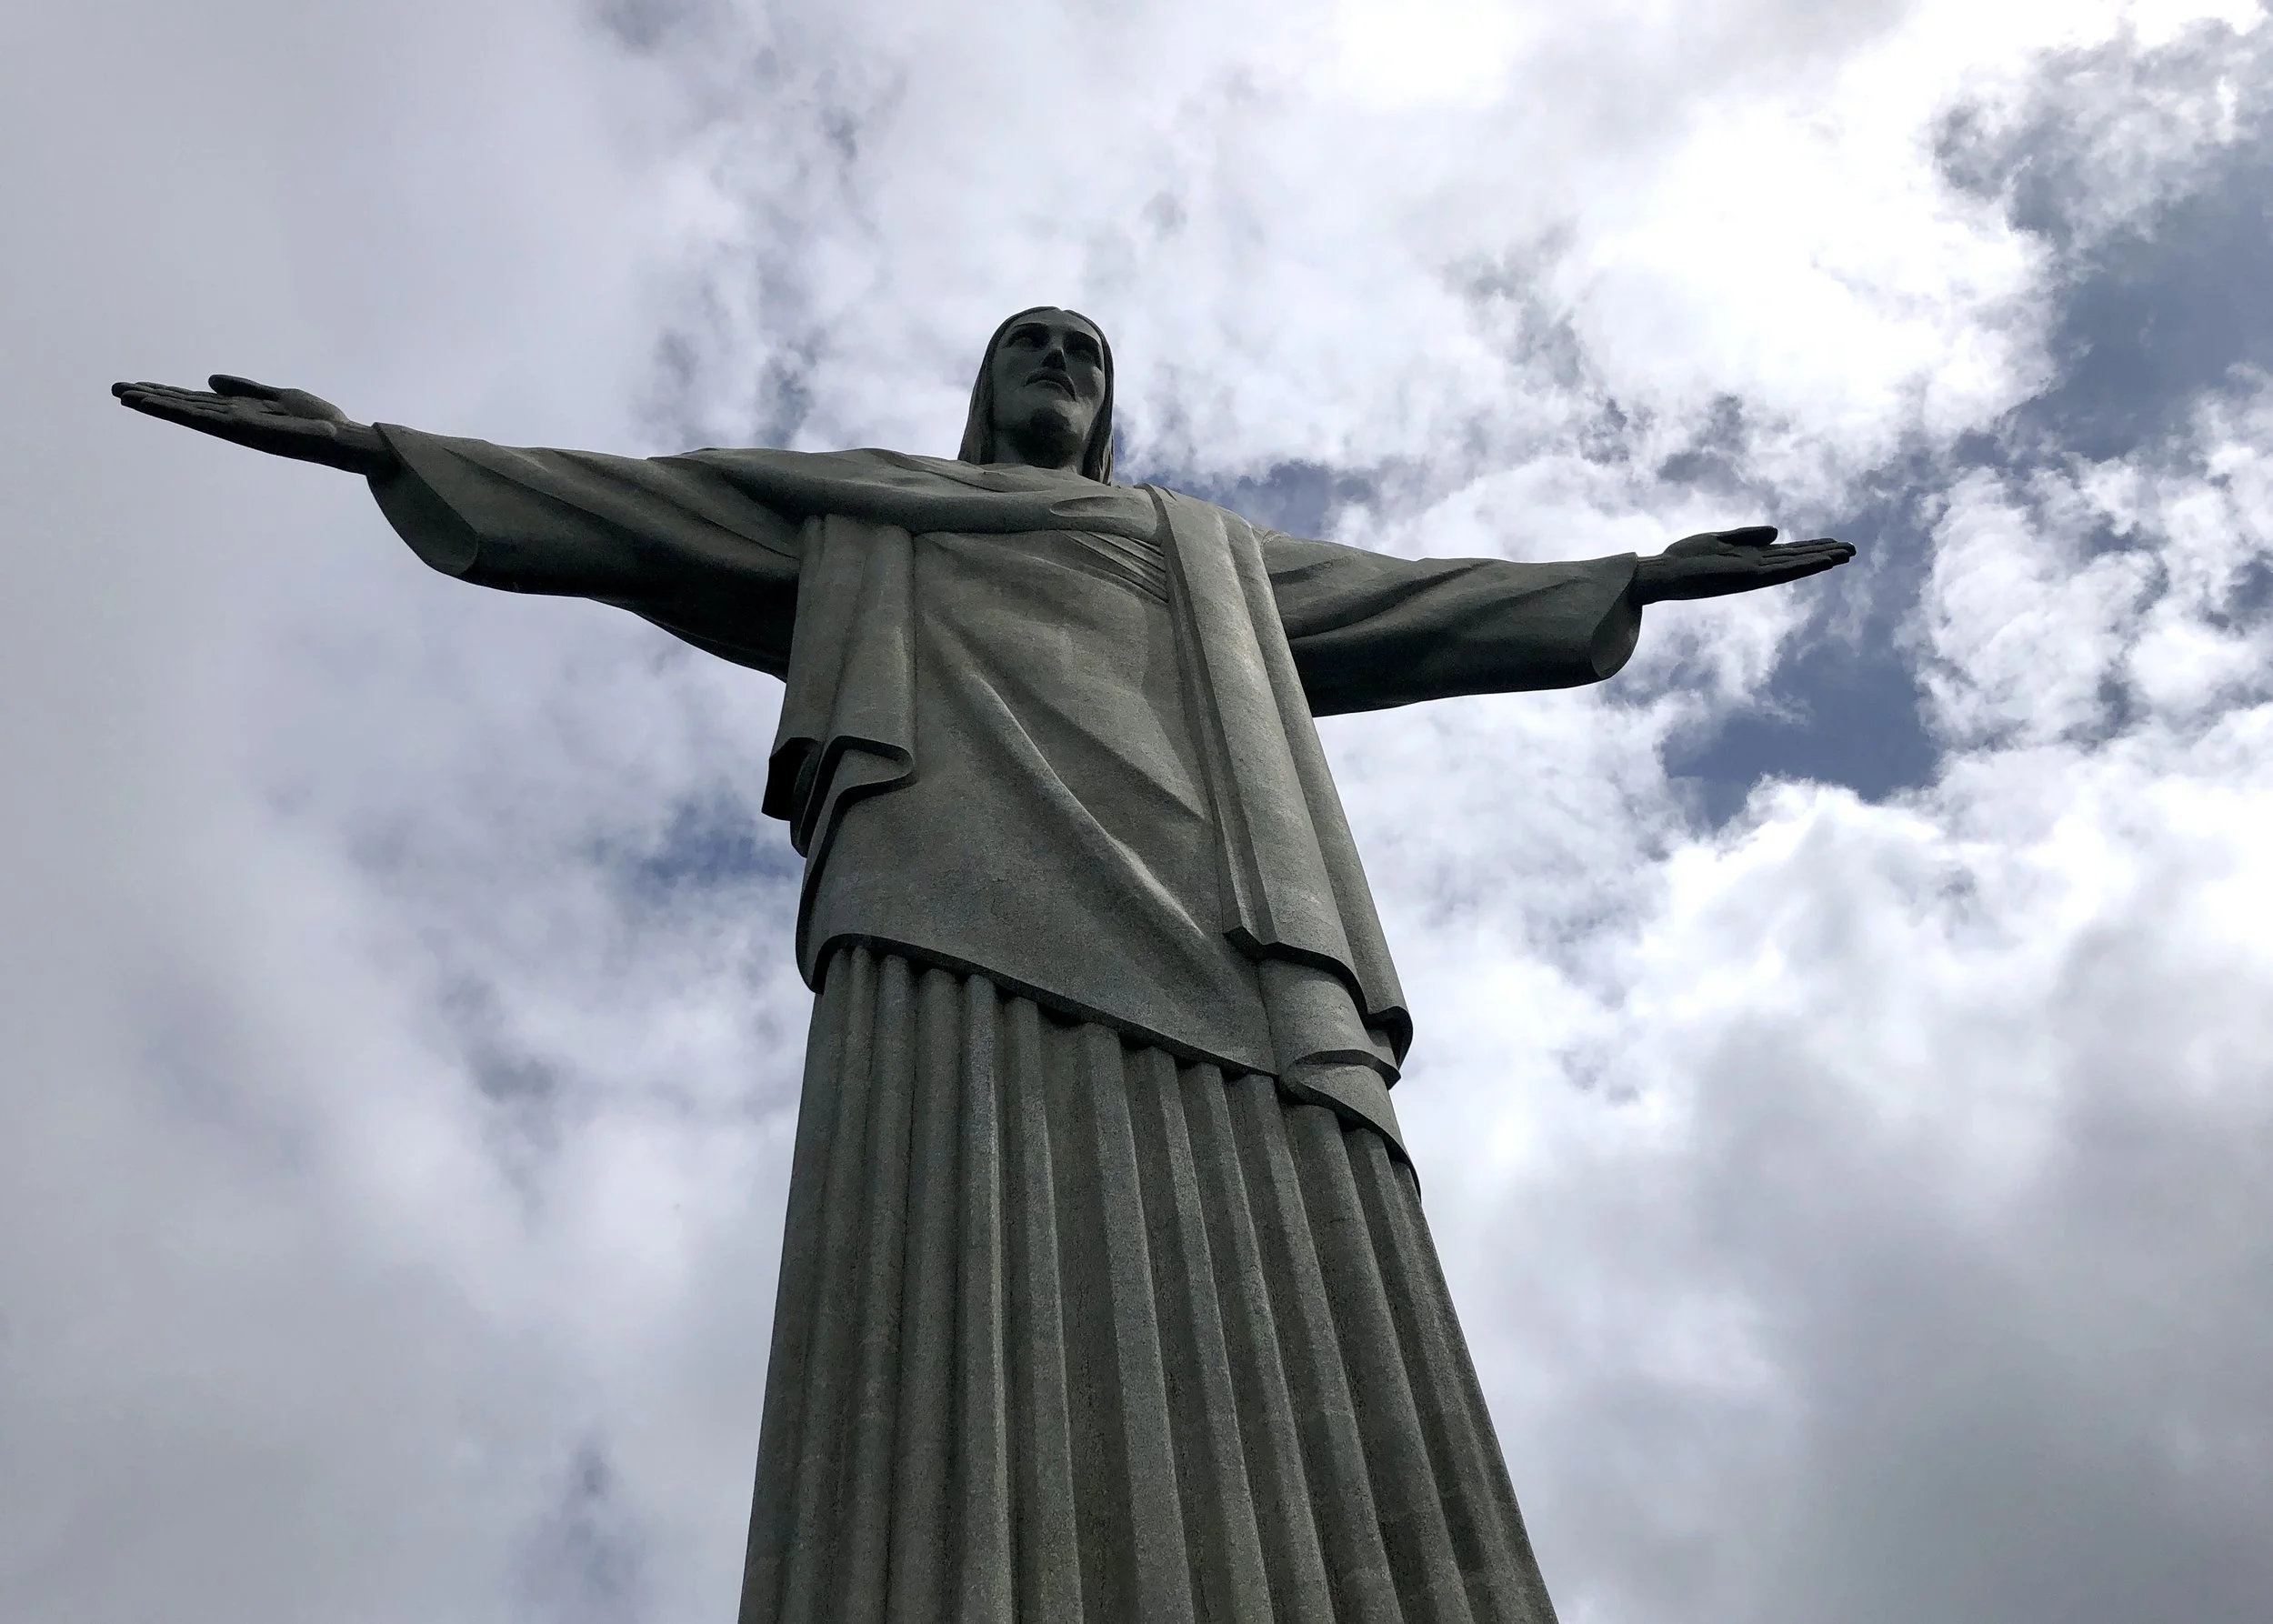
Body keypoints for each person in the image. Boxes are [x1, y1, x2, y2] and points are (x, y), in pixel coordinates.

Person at [115, 308, 1850, 1624]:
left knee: (1313, 1245)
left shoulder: (1207, 558)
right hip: (946, 895)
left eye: (1083, 355)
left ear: (1110, 412)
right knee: (958, 1229)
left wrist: (1623, 578)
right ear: (981, 391)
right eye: (1027, 344)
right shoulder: (865, 513)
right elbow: (640, 506)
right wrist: (375, 447)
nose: (1054, 364)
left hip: (1229, 919)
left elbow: (1413, 601)